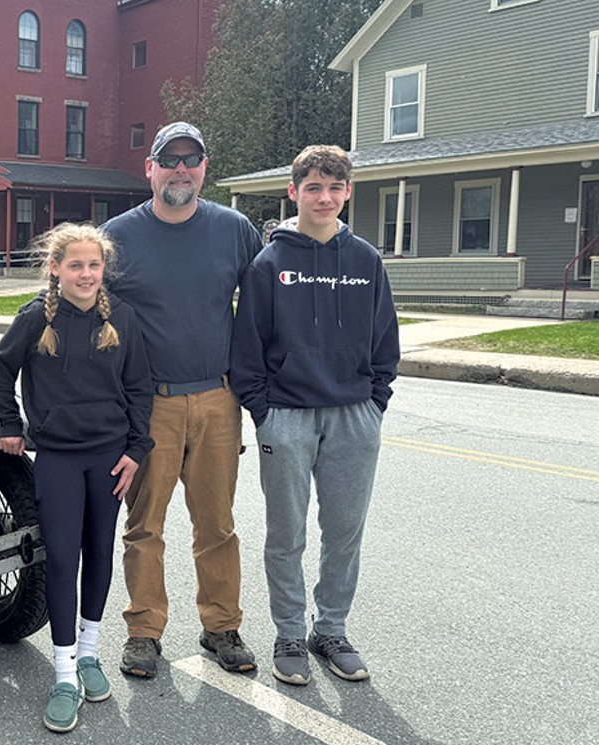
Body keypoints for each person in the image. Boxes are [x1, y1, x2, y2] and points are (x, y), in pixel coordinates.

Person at [230, 145, 399, 686]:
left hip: (353, 415)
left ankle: (330, 630)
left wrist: (375, 403)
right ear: (294, 192)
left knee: (345, 531)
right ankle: (288, 634)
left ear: (348, 192)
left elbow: (385, 340)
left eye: (334, 188)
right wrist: (265, 414)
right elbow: (247, 350)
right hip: (288, 417)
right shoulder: (269, 263)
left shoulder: (366, 260)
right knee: (287, 535)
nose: (324, 198)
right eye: (313, 188)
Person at [100, 121, 262, 678]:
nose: (181, 170)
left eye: (192, 160)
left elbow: (265, 311)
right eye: (170, 159)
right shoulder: (116, 237)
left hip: (219, 400)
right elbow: (87, 316)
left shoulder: (235, 229)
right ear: (150, 167)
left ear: (204, 169)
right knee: (145, 525)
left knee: (216, 523)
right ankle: (144, 631)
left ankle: (222, 626)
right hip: (151, 407)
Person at [0, 222, 154, 733]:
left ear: (104, 270)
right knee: (62, 559)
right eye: (75, 265)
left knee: (100, 553)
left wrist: (136, 450)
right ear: (55, 269)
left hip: (108, 459)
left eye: (94, 265)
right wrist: (11, 427)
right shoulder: (37, 317)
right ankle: (63, 674)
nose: (86, 273)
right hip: (58, 458)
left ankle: (88, 654)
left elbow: (141, 387)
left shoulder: (121, 317)